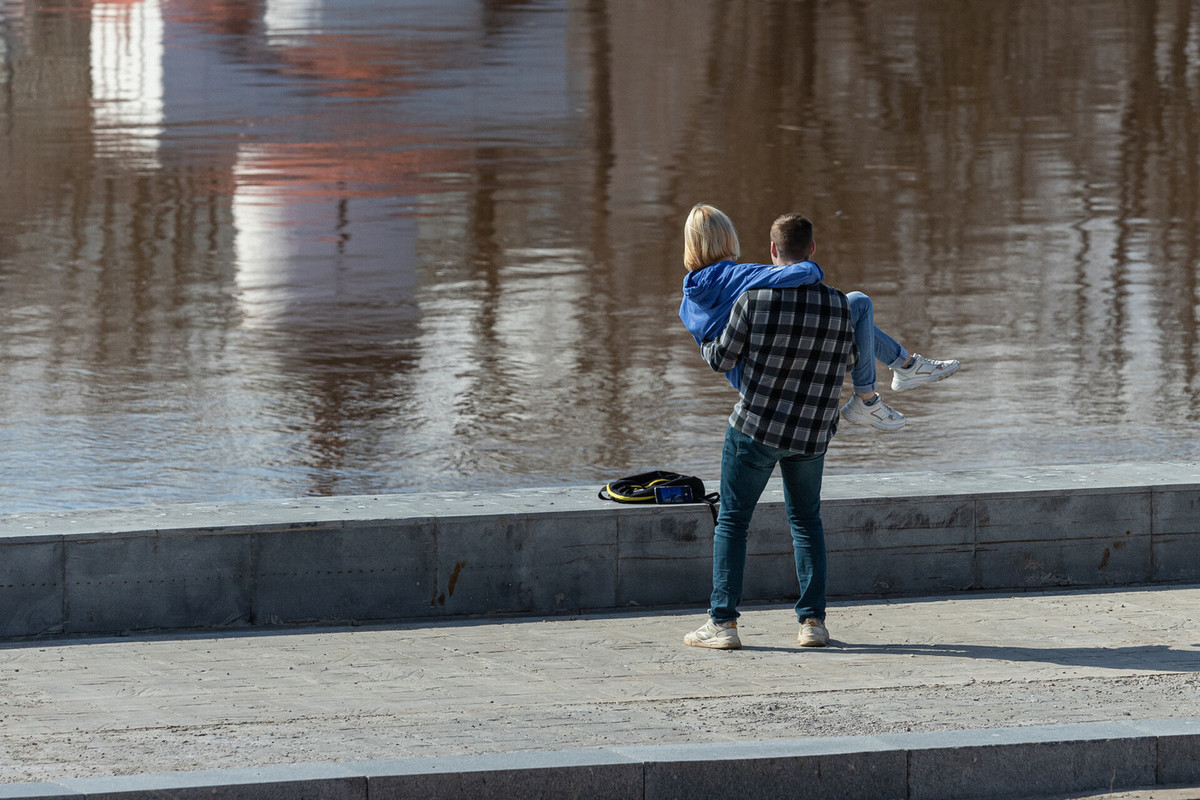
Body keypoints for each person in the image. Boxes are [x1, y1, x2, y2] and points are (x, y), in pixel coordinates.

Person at [683, 211, 856, 650]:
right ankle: (812, 623)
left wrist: (704, 340)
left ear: (773, 251)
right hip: (812, 433)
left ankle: (723, 625)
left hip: (756, 428)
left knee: (734, 523)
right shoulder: (838, 302)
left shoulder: (753, 300)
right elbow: (849, 361)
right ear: (811, 251)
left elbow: (722, 359)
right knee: (805, 521)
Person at [678, 203, 959, 430]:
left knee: (855, 308)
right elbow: (803, 271)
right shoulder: (737, 275)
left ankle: (905, 368)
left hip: (751, 380)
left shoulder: (687, 303)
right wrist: (812, 271)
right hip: (780, 363)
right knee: (858, 303)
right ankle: (873, 394)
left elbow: (716, 354)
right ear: (728, 238)